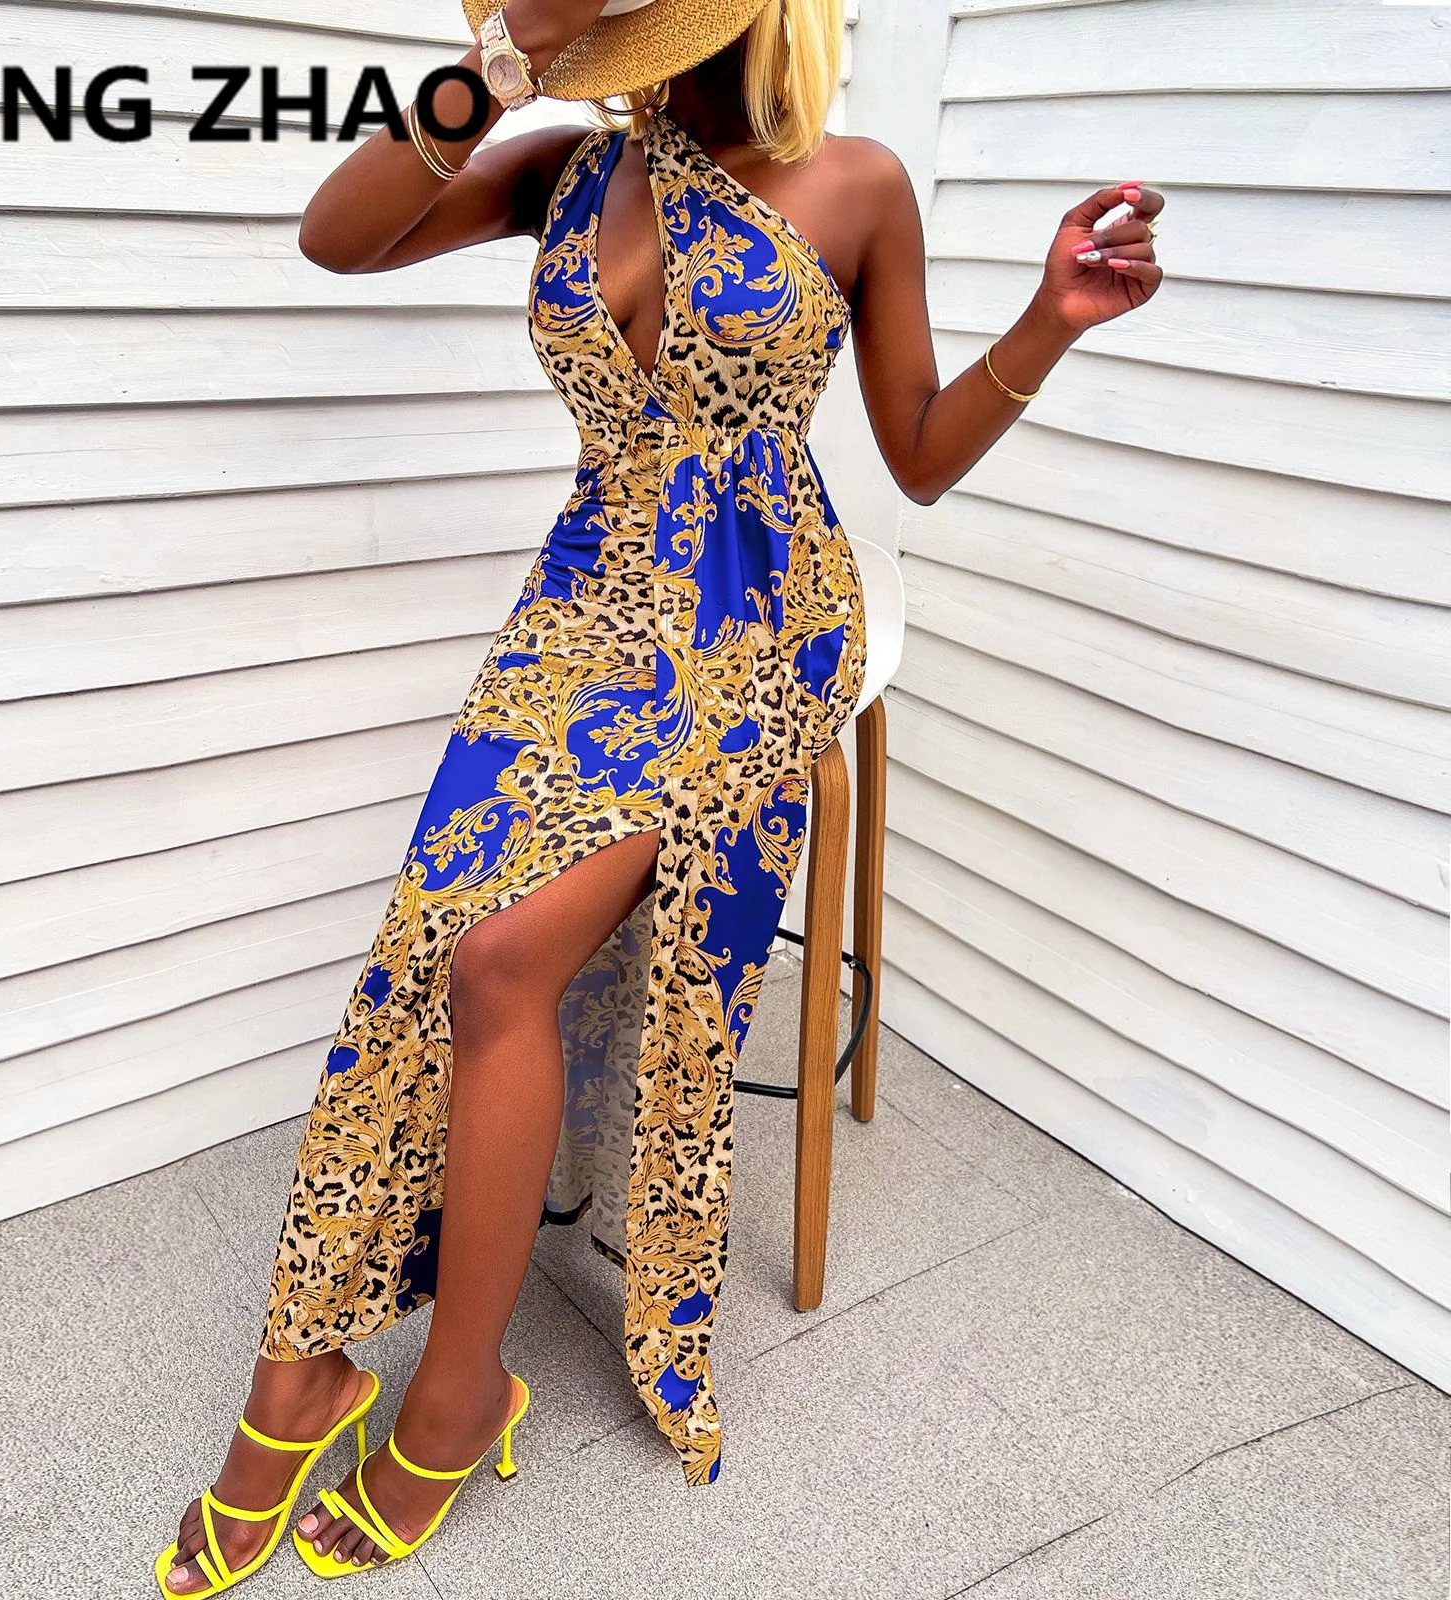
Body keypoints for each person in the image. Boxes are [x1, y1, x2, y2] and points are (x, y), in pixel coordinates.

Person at [157, 0, 1164, 1588]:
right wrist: (496, 72)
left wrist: (1052, 320)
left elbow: (914, 453)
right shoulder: (563, 164)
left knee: (499, 960)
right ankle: (303, 1371)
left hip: (760, 620)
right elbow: (337, 238)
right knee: (424, 935)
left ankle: (456, 1396)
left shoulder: (857, 184)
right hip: (587, 600)